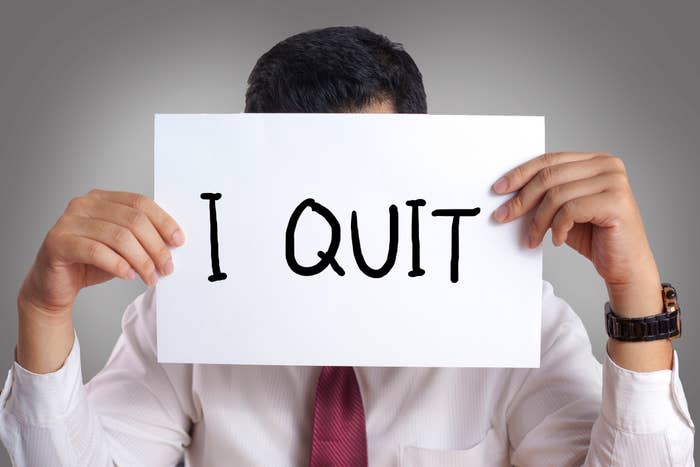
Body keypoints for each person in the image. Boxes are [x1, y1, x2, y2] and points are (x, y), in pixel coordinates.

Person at [0, 26, 694, 467]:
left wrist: (637, 301)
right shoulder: (185, 317)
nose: (338, 206)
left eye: (367, 168)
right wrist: (43, 311)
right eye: (306, 173)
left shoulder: (516, 322)